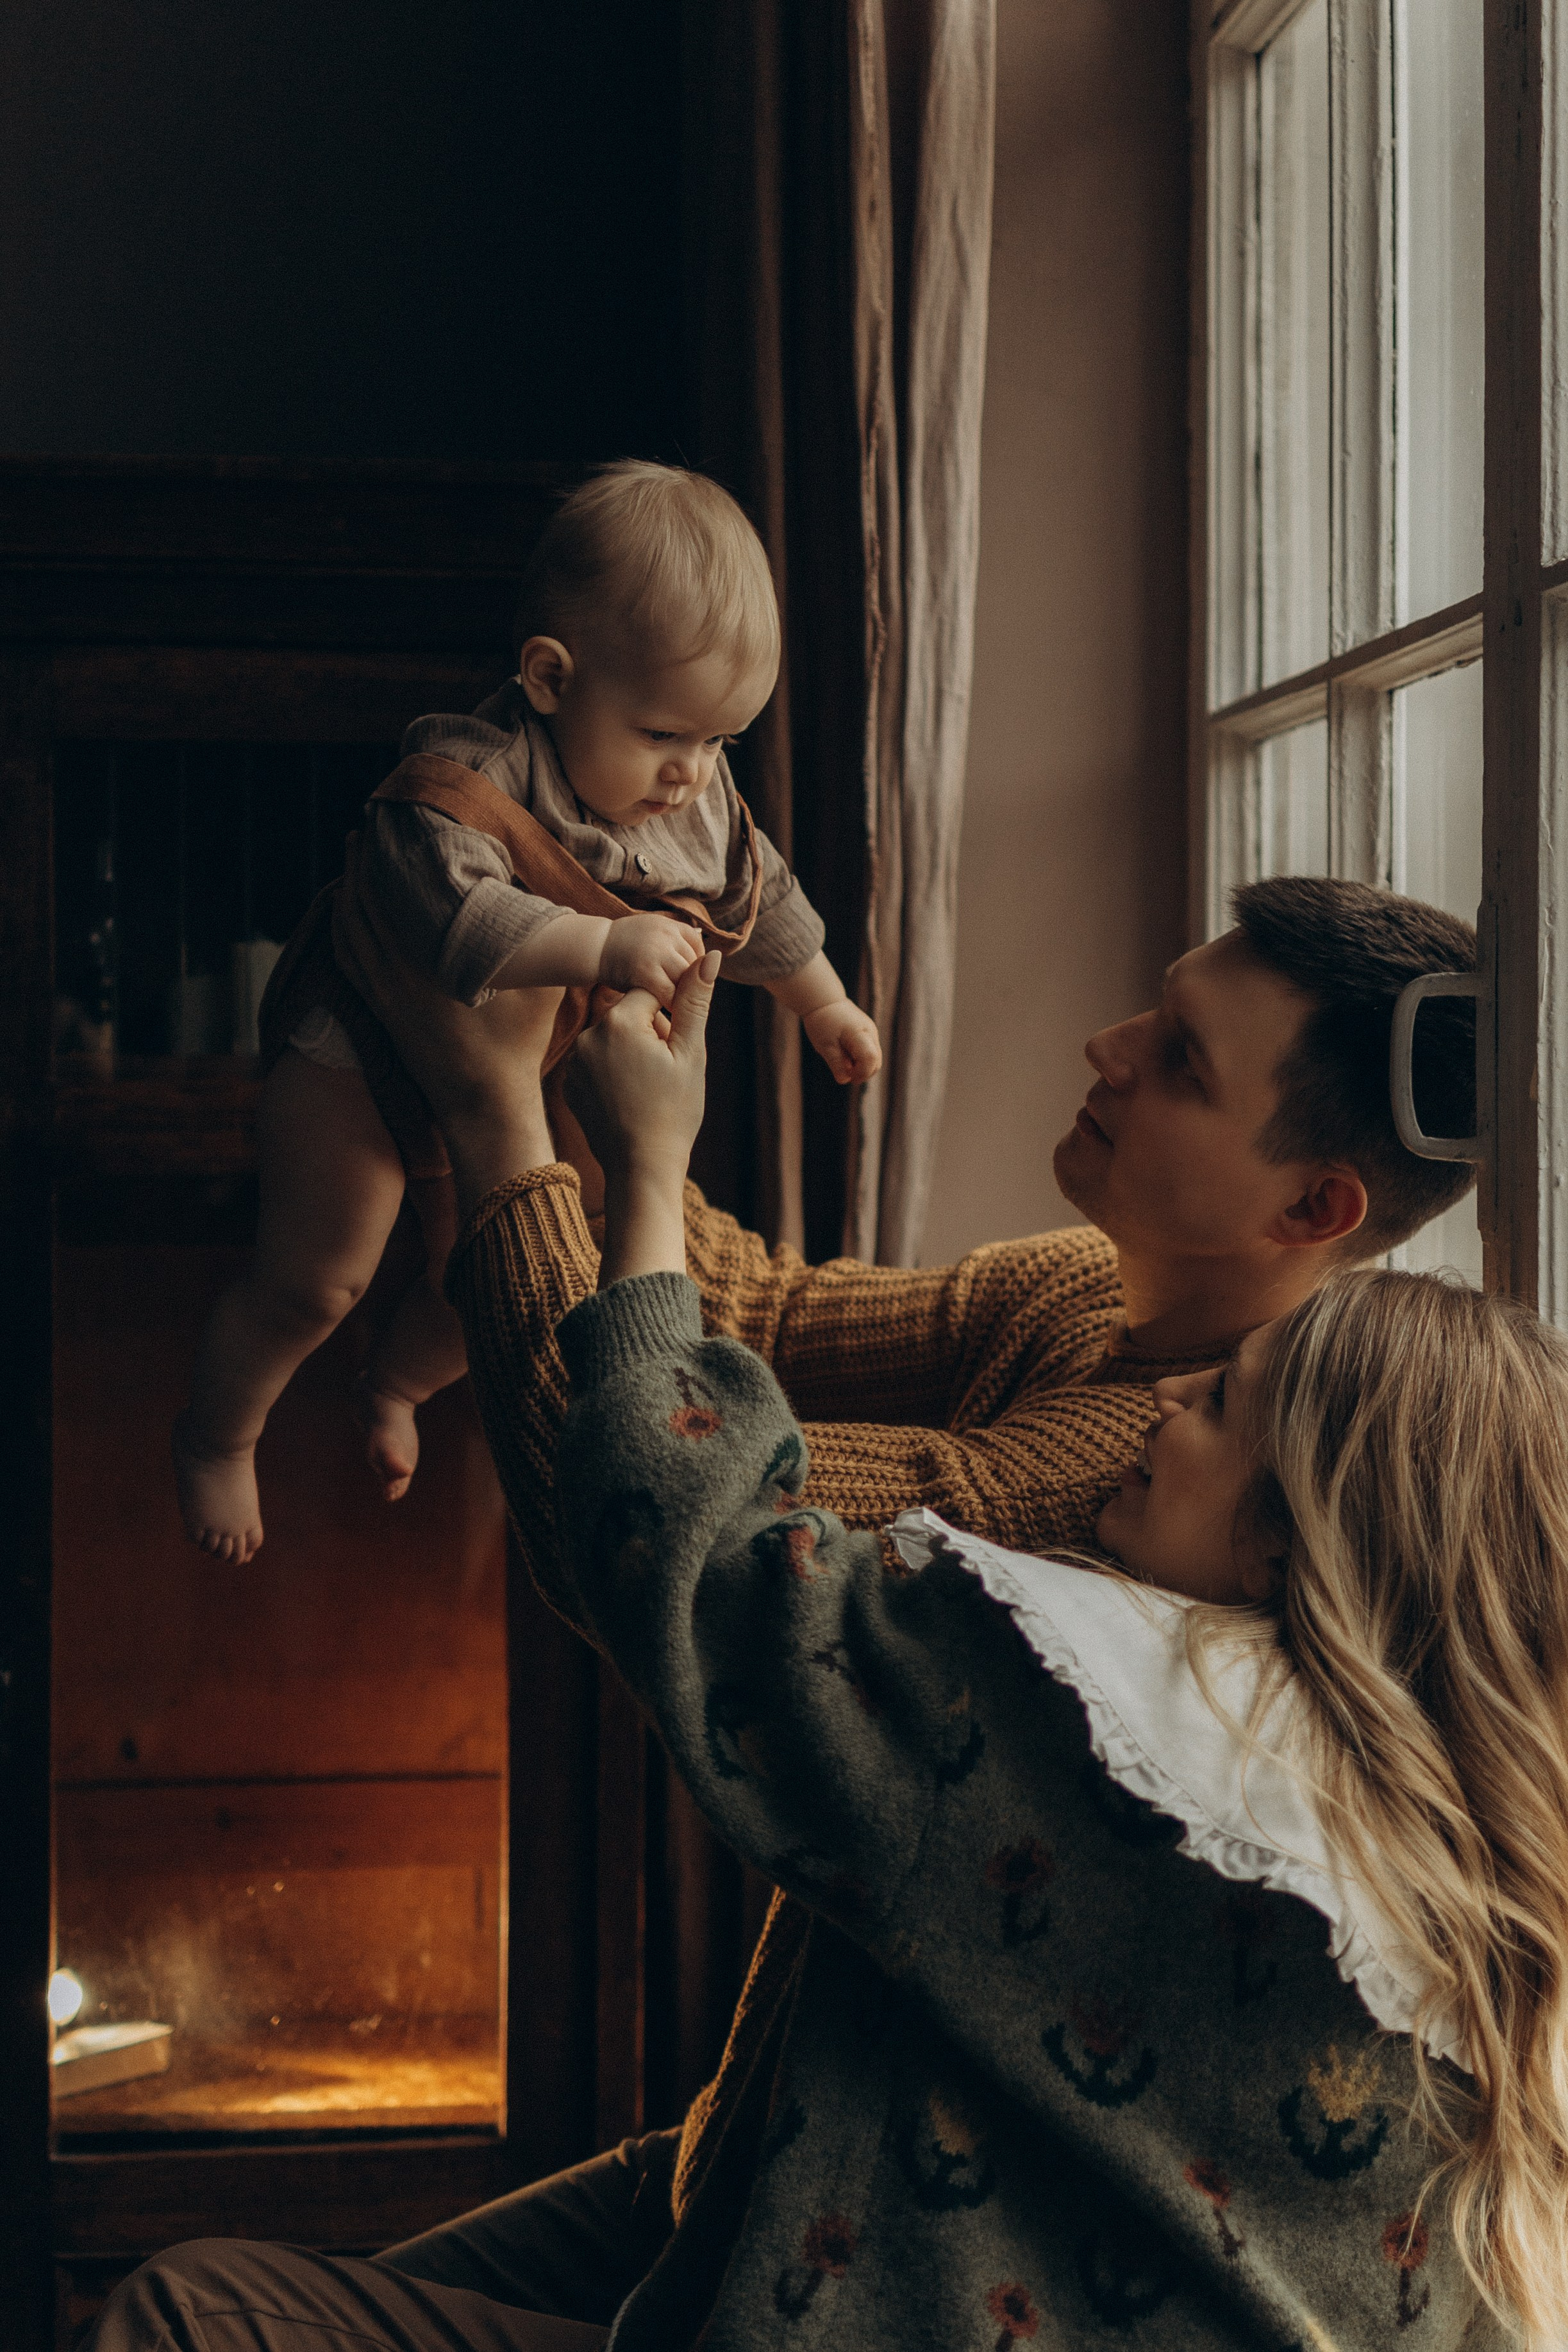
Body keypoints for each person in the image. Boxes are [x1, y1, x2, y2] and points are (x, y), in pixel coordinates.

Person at [92, 950, 1562, 2349]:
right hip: (843, 2126)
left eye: (1176, 1056)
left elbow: (661, 1519)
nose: (1104, 1048)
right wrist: (597, 1111)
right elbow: (762, 1319)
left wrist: (507, 1130)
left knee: (189, 2315)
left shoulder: (1102, 1647)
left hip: (882, 2261)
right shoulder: (1109, 1341)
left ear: (1312, 1205)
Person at [172, 462, 881, 1565]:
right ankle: (221, 1431)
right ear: (550, 678)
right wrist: (604, 943)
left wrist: (821, 998)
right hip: (357, 1055)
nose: (693, 776)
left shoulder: (689, 797)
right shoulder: (466, 777)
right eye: (665, 736)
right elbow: (455, 920)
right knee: (319, 1275)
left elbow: (761, 888)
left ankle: (396, 1382)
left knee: (528, 1271)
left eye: (720, 743)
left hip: (524, 1062)